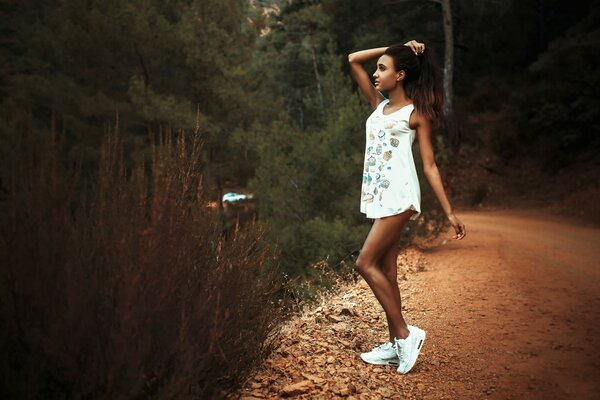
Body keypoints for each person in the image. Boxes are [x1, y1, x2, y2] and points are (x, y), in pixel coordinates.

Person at [347, 39, 466, 374]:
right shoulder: (377, 104)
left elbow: (429, 166)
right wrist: (395, 45)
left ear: (399, 75)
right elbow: (353, 58)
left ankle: (405, 334)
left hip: (400, 196)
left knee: (364, 263)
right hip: (379, 198)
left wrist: (449, 212)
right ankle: (395, 345)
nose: (375, 73)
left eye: (382, 68)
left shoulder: (415, 114)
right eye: (378, 67)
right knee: (387, 272)